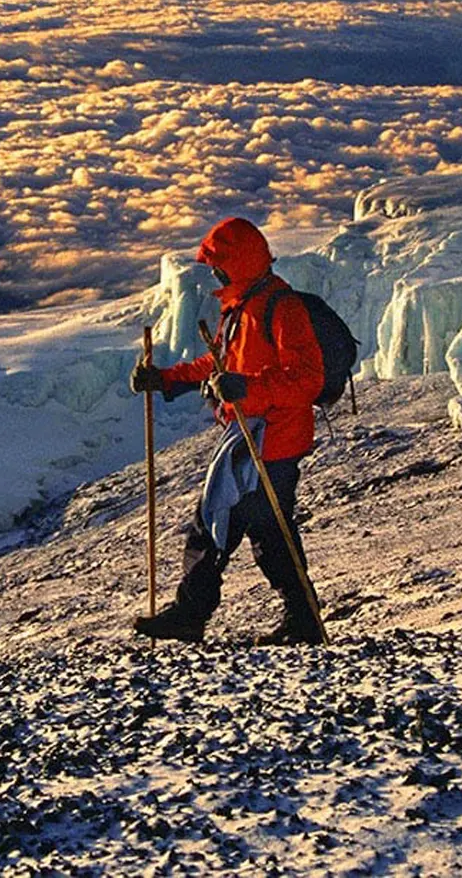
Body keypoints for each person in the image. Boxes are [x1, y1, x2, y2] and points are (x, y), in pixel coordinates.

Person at [130, 217, 327, 645]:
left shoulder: (281, 308)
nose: (214, 274)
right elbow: (218, 366)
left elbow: (307, 378)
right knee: (262, 529)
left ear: (238, 264)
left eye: (219, 266)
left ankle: (196, 613)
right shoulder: (241, 307)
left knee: (225, 521)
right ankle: (299, 618)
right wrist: (165, 379)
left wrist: (247, 389)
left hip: (274, 438)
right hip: (251, 435)